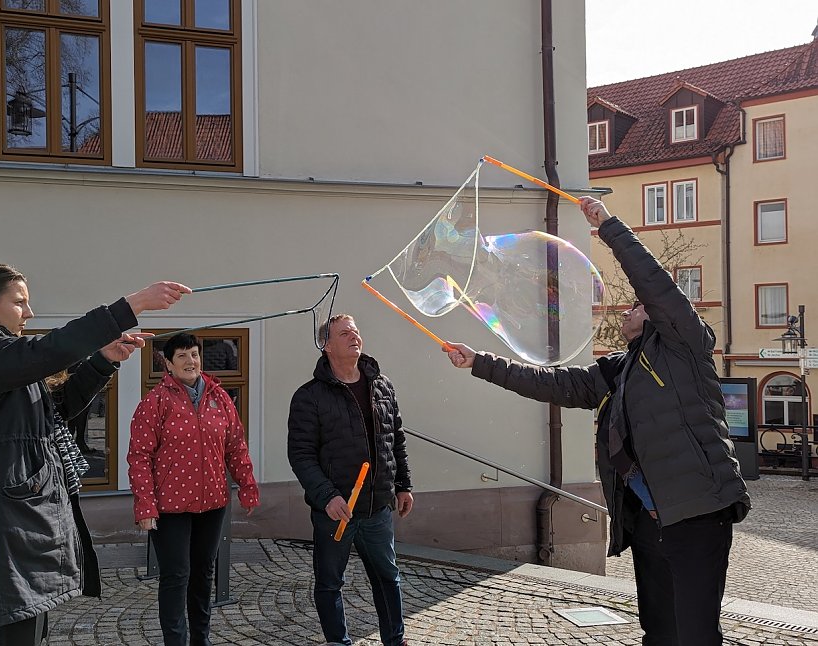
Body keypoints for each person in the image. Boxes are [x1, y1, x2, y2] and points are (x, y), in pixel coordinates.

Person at [444, 197, 751, 646]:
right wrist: (480, 362)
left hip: (697, 511)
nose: (628, 310)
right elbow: (555, 384)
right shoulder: (620, 368)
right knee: (659, 631)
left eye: (637, 307)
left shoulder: (685, 345)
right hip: (648, 519)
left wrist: (607, 226)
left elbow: (654, 282)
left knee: (696, 634)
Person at [0, 262, 190, 645]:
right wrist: (130, 306)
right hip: (8, 529)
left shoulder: (4, 355)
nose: (29, 312)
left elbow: (56, 409)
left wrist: (103, 360)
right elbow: (47, 351)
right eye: (19, 302)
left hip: (24, 526)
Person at [288, 314, 413, 646]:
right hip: (336, 510)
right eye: (344, 333)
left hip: (377, 507)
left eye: (355, 331)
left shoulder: (382, 386)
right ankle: (338, 642)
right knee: (330, 583)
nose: (354, 337)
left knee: (388, 578)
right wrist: (327, 496)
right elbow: (301, 455)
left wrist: (403, 485)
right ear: (326, 345)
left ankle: (395, 640)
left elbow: (396, 439)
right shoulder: (309, 397)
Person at [127, 333, 259, 646]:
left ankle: (201, 640)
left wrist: (247, 485)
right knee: (176, 576)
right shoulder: (155, 402)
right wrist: (145, 505)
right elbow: (139, 456)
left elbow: (235, 446)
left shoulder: (219, 398)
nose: (191, 361)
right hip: (170, 508)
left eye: (195, 354)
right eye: (182, 356)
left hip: (212, 504)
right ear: (169, 363)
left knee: (203, 574)